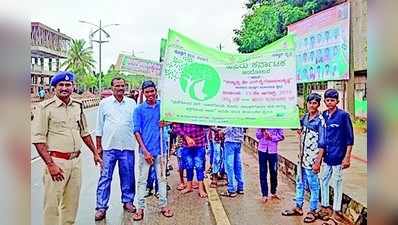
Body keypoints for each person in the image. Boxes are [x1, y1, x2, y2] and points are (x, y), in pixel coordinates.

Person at [31, 71, 103, 225]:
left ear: (73, 87)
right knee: (52, 205)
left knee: (71, 204)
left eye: (68, 85)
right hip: (57, 162)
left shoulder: (78, 106)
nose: (64, 88)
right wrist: (51, 165)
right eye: (61, 85)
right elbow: (38, 139)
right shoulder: (45, 108)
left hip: (76, 161)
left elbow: (84, 132)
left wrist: (95, 153)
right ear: (54, 88)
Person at [94, 77, 138, 221]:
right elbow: (99, 127)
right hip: (108, 148)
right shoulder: (104, 104)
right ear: (112, 88)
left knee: (128, 176)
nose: (120, 88)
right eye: (117, 86)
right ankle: (101, 207)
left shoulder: (132, 103)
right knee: (105, 178)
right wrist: (98, 148)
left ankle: (128, 201)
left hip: (127, 147)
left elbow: (137, 125)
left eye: (122, 86)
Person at [132, 80, 173, 221]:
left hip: (161, 151)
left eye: (152, 91)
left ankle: (164, 206)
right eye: (147, 92)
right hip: (145, 153)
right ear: (143, 93)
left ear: (156, 91)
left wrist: (165, 123)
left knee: (162, 179)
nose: (150, 94)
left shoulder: (162, 106)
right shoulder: (139, 110)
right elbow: (136, 132)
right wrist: (145, 152)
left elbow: (172, 119)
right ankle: (140, 208)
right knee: (142, 181)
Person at [282, 93, 325, 223]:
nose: (312, 105)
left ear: (318, 104)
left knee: (313, 184)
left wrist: (318, 161)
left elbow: (323, 143)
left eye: (315, 103)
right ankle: (298, 206)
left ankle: (313, 210)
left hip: (312, 158)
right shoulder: (305, 118)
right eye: (310, 103)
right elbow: (293, 125)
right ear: (306, 103)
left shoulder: (320, 121)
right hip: (301, 157)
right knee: (300, 181)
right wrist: (291, 111)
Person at [318, 89, 354, 223]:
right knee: (323, 179)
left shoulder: (343, 116)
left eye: (332, 100)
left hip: (339, 155)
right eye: (327, 100)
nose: (329, 102)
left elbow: (350, 138)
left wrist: (347, 157)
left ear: (337, 101)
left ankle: (336, 209)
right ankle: (325, 206)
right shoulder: (324, 115)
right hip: (327, 155)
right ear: (324, 101)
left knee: (337, 181)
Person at [173, 123, 208, 198]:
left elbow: (207, 124)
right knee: (189, 165)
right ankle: (189, 186)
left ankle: (200, 188)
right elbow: (176, 127)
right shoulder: (181, 113)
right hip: (186, 144)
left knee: (199, 166)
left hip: (200, 142)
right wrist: (186, 137)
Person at [255, 128, 284, 202]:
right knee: (263, 172)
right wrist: (262, 131)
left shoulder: (277, 122)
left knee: (274, 172)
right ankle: (264, 194)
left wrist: (271, 137)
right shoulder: (261, 122)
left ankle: (273, 191)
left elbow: (281, 136)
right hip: (262, 150)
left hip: (273, 150)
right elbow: (258, 136)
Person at [220, 127, 245, 198]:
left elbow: (230, 126)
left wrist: (222, 131)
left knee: (229, 165)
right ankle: (240, 187)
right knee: (237, 165)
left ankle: (232, 189)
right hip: (239, 140)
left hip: (230, 140)